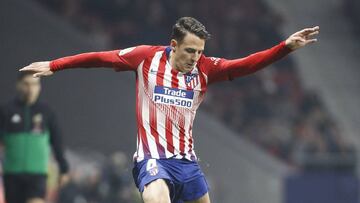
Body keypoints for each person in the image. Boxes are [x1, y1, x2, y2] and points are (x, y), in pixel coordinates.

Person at [19, 17, 319, 203]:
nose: (195, 57)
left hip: (187, 164)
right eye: (190, 50)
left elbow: (244, 65)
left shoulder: (204, 69)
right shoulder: (145, 59)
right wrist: (55, 66)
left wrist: (285, 47)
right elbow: (100, 57)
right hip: (152, 159)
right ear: (173, 45)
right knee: (157, 198)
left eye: (200, 51)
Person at [0, 72, 70, 203]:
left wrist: (63, 168)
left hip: (37, 174)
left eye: (34, 84)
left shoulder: (46, 111)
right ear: (18, 85)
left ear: (39, 87)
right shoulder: (6, 111)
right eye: (26, 84)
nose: (31, 89)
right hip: (12, 174)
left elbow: (57, 141)